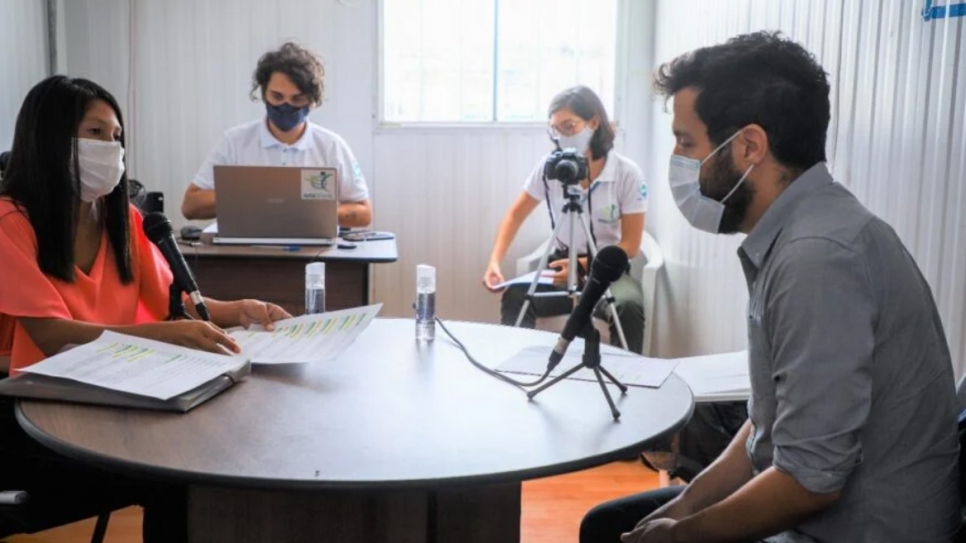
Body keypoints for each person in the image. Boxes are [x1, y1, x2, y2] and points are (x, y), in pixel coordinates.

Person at [581, 31, 962, 543]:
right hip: (821, 508)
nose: (678, 159)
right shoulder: (802, 231)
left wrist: (682, 535)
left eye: (687, 143)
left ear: (749, 146)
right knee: (612, 525)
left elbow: (810, 482)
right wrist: (686, 503)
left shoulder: (819, 259)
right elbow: (769, 422)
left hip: (854, 530)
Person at [0, 75, 292, 542]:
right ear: (49, 136)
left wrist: (238, 309)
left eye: (117, 137)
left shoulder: (124, 218)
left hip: (118, 393)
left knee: (198, 455)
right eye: (95, 133)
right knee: (176, 473)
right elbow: (52, 334)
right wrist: (168, 334)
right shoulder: (9, 222)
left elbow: (171, 305)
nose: (111, 148)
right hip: (42, 416)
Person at [482, 85, 648, 354]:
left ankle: (630, 376)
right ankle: (516, 368)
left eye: (569, 126)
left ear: (593, 122)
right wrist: (494, 262)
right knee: (516, 296)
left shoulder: (626, 173)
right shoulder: (550, 168)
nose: (562, 136)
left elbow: (631, 244)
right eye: (555, 129)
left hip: (607, 271)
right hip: (559, 266)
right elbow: (515, 214)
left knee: (628, 305)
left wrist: (583, 266)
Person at [181, 42, 371, 227]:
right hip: (247, 252)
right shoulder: (234, 142)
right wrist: (249, 196)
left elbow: (364, 213)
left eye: (297, 98)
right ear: (264, 94)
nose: (286, 105)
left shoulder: (331, 146)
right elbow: (190, 206)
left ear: (312, 100)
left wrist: (316, 211)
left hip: (312, 251)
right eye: (277, 97)